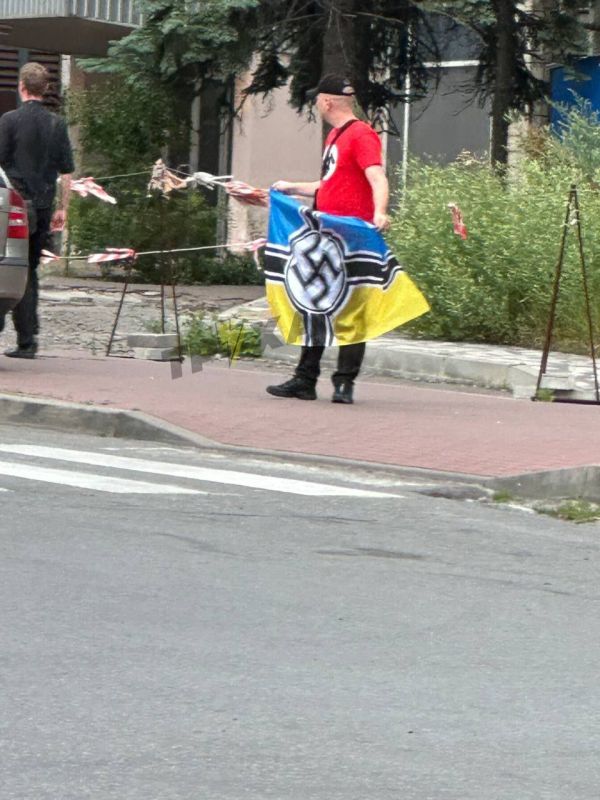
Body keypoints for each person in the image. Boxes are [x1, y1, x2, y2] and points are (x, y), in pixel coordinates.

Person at [266, 74, 389, 405]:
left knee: (352, 308)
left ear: (327, 101)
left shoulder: (361, 135)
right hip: (326, 235)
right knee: (314, 302)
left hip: (353, 235)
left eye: (317, 98)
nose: (316, 103)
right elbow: (331, 184)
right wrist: (292, 187)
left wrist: (380, 212)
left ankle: (344, 383)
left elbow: (377, 176)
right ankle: (305, 380)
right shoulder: (335, 136)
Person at [0, 62, 74, 358]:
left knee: (10, 267)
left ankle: (22, 336)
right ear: (45, 89)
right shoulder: (57, 124)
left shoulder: (9, 121)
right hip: (43, 206)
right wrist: (62, 209)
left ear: (21, 87)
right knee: (29, 269)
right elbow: (66, 172)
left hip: (13, 207)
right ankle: (27, 339)